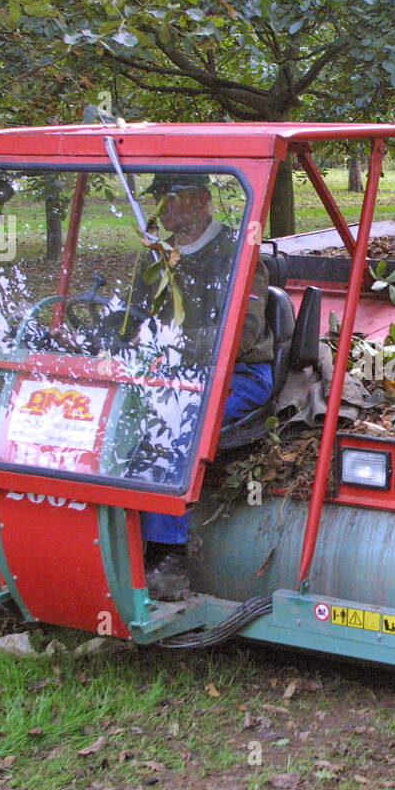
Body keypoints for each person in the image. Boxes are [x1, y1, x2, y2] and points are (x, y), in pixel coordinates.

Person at [136, 173, 274, 599]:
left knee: (171, 426)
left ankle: (169, 555)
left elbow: (243, 335)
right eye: (157, 199)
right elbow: (133, 316)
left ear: (199, 200)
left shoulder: (240, 255)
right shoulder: (157, 256)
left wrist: (171, 345)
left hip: (239, 375)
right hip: (168, 372)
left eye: (166, 198)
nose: (159, 208)